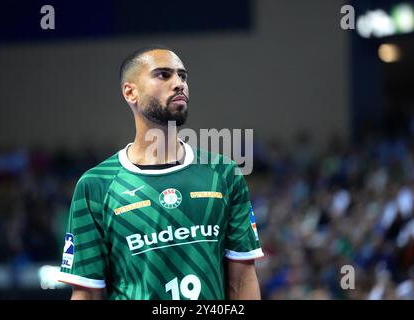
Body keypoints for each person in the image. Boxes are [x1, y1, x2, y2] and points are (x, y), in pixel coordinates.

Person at [57, 45, 264, 300]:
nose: (179, 83)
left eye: (183, 76)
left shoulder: (225, 173)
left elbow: (242, 279)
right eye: (163, 75)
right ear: (130, 92)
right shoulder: (95, 185)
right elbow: (87, 293)